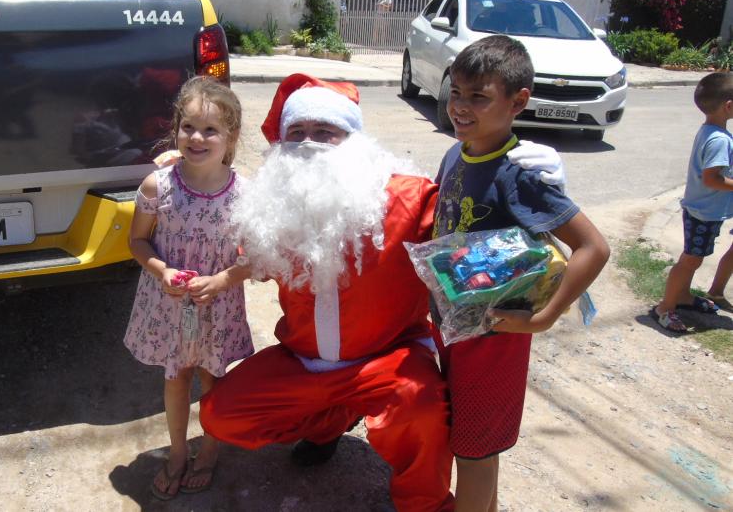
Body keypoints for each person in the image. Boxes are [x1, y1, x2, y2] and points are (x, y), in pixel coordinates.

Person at [198, 72, 567, 511]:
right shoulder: (271, 207)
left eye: (325, 131)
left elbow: (474, 224)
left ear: (354, 140)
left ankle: (423, 503)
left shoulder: (407, 197)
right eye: (296, 132)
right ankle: (330, 422)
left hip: (387, 360)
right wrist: (189, 168)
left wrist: (524, 179)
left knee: (421, 408)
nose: (309, 143)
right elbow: (236, 233)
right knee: (220, 414)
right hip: (303, 361)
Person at [432, 35, 610, 512]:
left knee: (474, 452)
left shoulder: (521, 173)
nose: (461, 107)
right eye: (456, 92)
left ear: (518, 101)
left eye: (479, 96)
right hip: (453, 329)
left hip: (494, 338)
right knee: (468, 440)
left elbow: (593, 247)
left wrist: (545, 317)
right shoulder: (455, 153)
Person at [124, 76, 254, 500]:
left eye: (210, 130)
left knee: (213, 378)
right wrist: (161, 270)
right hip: (170, 303)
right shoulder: (156, 186)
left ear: (231, 136)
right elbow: (137, 241)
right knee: (176, 376)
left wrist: (222, 280)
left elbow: (255, 258)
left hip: (217, 305)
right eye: (189, 127)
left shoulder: (247, 195)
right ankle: (178, 453)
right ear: (176, 128)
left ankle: (211, 449)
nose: (197, 138)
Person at [651, 72, 733, 331]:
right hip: (703, 212)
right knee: (690, 260)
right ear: (728, 106)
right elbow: (711, 178)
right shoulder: (719, 140)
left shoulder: (711, 131)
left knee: (693, 258)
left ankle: (683, 297)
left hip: (704, 210)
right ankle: (665, 307)